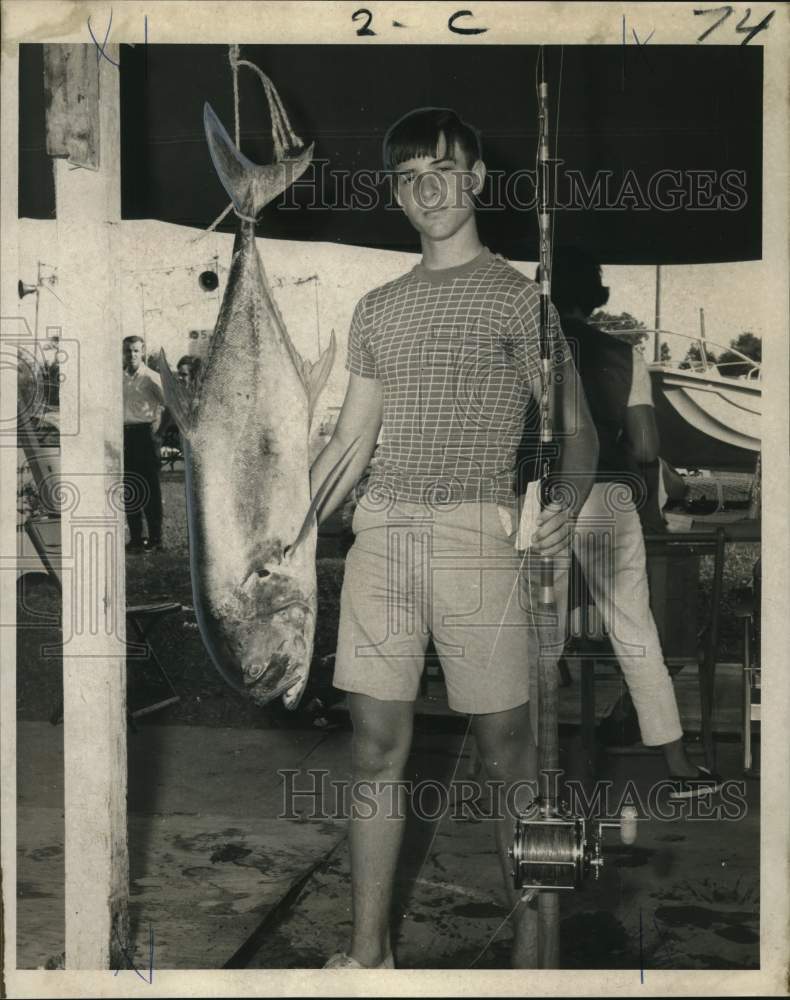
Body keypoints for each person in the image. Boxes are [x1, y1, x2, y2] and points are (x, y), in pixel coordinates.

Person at [310, 108, 598, 969]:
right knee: (374, 747)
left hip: (480, 532)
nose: (425, 187)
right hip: (384, 531)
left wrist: (569, 499)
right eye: (406, 176)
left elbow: (577, 432)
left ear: (475, 180)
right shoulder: (376, 307)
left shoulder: (522, 301)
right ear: (397, 196)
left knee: (513, 752)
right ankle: (369, 960)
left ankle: (534, 963)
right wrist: (280, 517)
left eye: (442, 168)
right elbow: (351, 444)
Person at [546, 246, 721, 792]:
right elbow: (645, 448)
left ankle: (514, 767)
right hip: (609, 497)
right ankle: (677, 765)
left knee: (537, 635)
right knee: (634, 629)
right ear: (595, 299)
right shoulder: (624, 355)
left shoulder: (530, 350)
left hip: (544, 495)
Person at [122, 335, 165, 552]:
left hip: (146, 437)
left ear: (143, 352)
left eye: (136, 351)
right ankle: (136, 538)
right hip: (126, 437)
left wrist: (159, 433)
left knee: (151, 489)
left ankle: (156, 539)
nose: (132, 355)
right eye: (128, 351)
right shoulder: (120, 378)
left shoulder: (151, 377)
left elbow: (169, 406)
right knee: (131, 488)